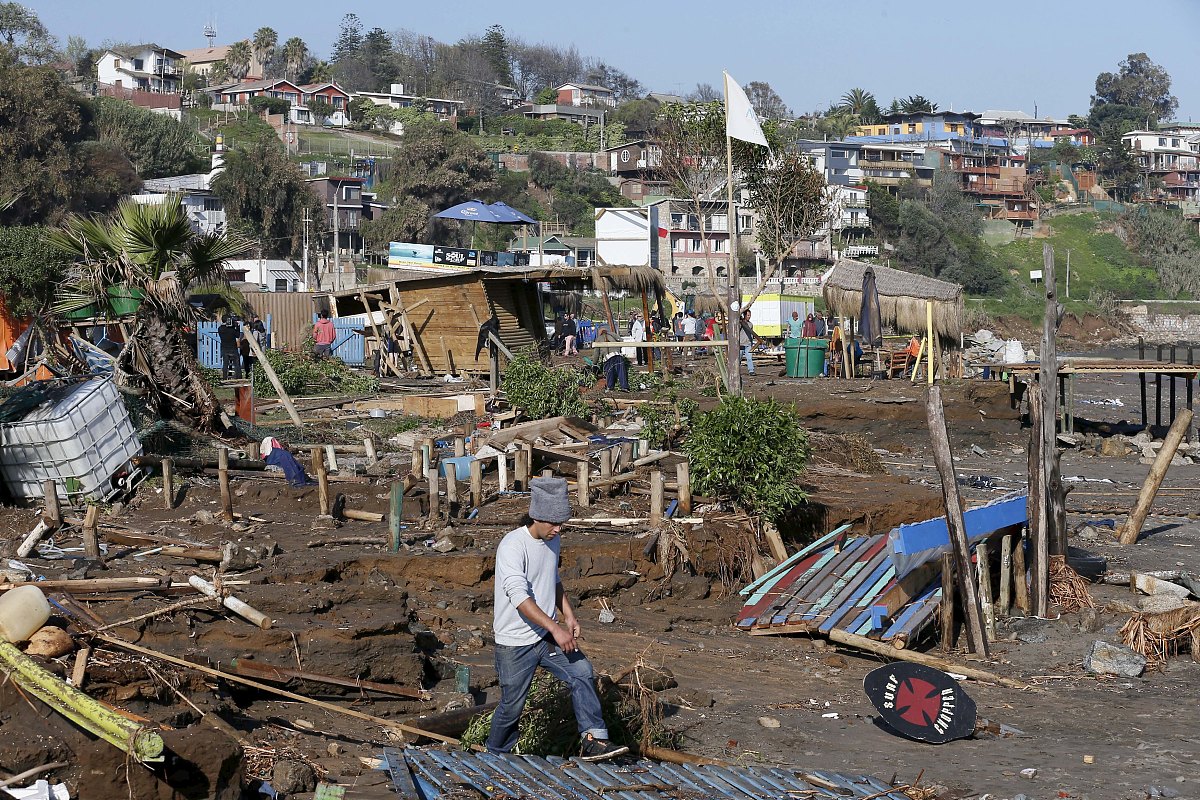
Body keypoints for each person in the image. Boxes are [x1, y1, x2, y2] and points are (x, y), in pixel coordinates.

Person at [487, 477, 629, 762]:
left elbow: (552, 581)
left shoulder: (553, 540)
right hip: (514, 643)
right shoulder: (512, 546)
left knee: (582, 671)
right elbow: (520, 599)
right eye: (554, 523)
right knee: (512, 707)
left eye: (562, 523)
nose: (559, 529)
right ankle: (495, 754)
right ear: (537, 516)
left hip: (545, 635)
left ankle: (593, 740)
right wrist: (556, 628)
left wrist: (569, 615)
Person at [738, 308, 756, 376]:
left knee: (749, 358)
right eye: (748, 315)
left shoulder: (750, 324)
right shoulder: (740, 324)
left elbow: (751, 334)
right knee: (739, 358)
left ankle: (751, 370)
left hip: (748, 344)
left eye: (750, 315)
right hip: (741, 344)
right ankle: (737, 371)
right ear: (744, 315)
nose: (749, 316)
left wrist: (751, 342)